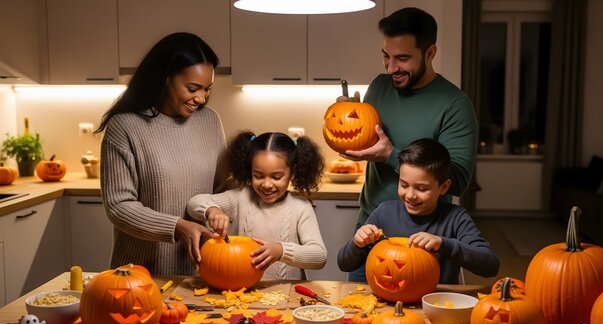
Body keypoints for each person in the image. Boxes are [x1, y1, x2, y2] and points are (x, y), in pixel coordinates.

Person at [337, 8, 479, 235]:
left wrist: (391, 156)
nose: (391, 67)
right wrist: (347, 118)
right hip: (369, 225)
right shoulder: (379, 87)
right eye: (386, 56)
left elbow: (459, 181)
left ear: (430, 53)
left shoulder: (455, 105)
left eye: (402, 58)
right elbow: (368, 143)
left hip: (424, 234)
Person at [95, 32, 226, 276]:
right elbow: (119, 206)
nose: (201, 98)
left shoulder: (210, 121)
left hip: (203, 271)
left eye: (207, 89)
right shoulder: (125, 126)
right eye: (193, 88)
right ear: (166, 77)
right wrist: (177, 226)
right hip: (140, 275)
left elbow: (223, 189)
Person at [338, 139, 499, 284]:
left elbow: (491, 265)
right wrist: (357, 244)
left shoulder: (456, 218)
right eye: (404, 185)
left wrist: (444, 244)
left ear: (444, 187)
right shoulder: (384, 212)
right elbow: (344, 263)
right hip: (387, 307)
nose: (410, 195)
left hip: (436, 306)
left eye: (422, 188)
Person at [187, 131, 327, 280]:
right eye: (258, 176)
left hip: (287, 294)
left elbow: (319, 256)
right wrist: (211, 210)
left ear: (293, 173)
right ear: (250, 171)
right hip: (243, 293)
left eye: (276, 177)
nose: (266, 184)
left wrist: (281, 251)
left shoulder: (301, 208)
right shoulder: (241, 197)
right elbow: (194, 203)